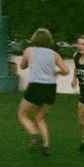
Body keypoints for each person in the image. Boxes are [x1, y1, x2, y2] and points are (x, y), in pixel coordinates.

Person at [17, 28, 69, 157]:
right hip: (50, 89)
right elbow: (66, 71)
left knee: (22, 114)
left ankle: (34, 135)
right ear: (49, 40)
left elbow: (22, 66)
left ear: (34, 38)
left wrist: (31, 63)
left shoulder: (29, 51)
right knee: (40, 117)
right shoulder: (54, 54)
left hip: (36, 87)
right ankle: (46, 146)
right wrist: (57, 72)